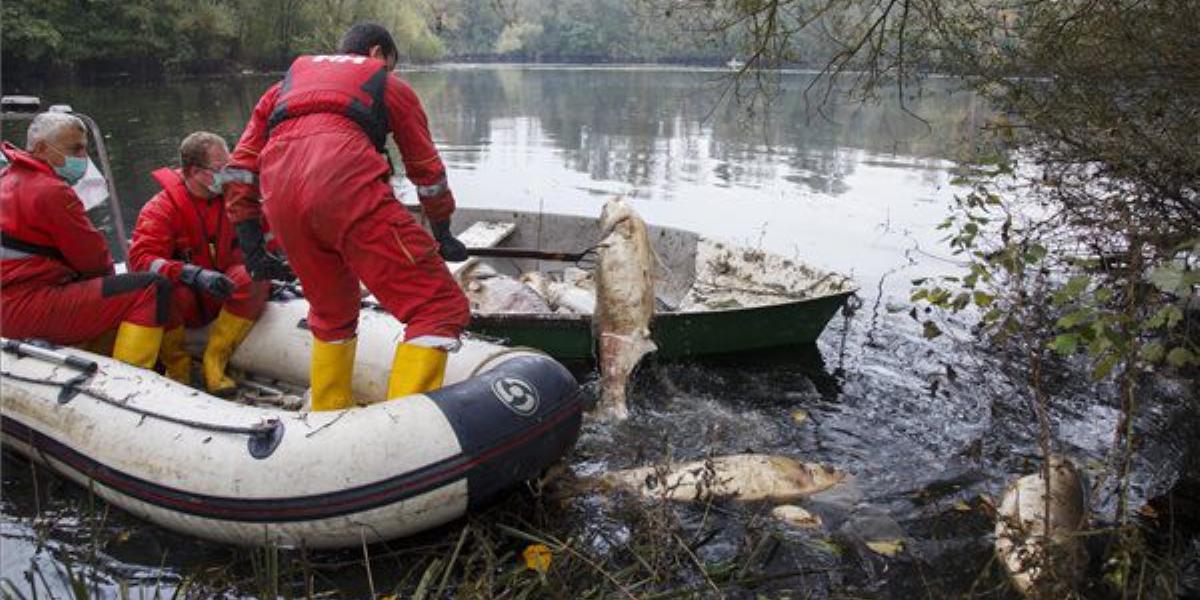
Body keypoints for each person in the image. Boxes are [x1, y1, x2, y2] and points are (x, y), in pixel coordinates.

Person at [224, 22, 470, 410]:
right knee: (437, 306)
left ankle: (328, 409)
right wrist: (442, 231)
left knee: (332, 311)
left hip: (281, 202)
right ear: (377, 54)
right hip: (346, 191)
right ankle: (402, 431)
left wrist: (252, 246)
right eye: (390, 63)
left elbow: (240, 169)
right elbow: (428, 173)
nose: (390, 72)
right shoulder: (388, 86)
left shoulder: (280, 91)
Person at [0, 112, 172, 366]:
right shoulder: (51, 190)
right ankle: (129, 380)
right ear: (41, 148)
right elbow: (94, 260)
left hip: (13, 298)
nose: (82, 158)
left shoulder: (8, 178)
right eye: (75, 149)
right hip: (21, 307)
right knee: (151, 288)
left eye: (84, 150)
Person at [128, 132, 271, 395]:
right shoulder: (161, 208)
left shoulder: (235, 199)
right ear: (195, 171)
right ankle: (179, 370)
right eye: (220, 169)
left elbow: (267, 233)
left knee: (254, 274)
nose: (227, 175)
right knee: (161, 289)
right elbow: (141, 260)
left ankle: (215, 359)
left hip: (226, 291)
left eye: (229, 167)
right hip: (188, 300)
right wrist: (191, 274)